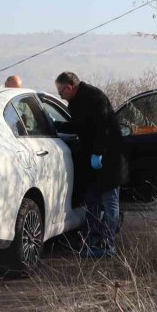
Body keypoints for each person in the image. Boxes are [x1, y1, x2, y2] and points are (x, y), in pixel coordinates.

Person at [54, 71, 127, 258]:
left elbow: (104, 129)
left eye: (61, 92)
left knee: (110, 203)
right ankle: (90, 241)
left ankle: (108, 244)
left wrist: (98, 153)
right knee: (92, 201)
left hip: (108, 158)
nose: (60, 96)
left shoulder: (94, 98)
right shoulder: (78, 101)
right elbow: (79, 126)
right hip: (93, 161)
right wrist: (57, 125)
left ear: (69, 87)